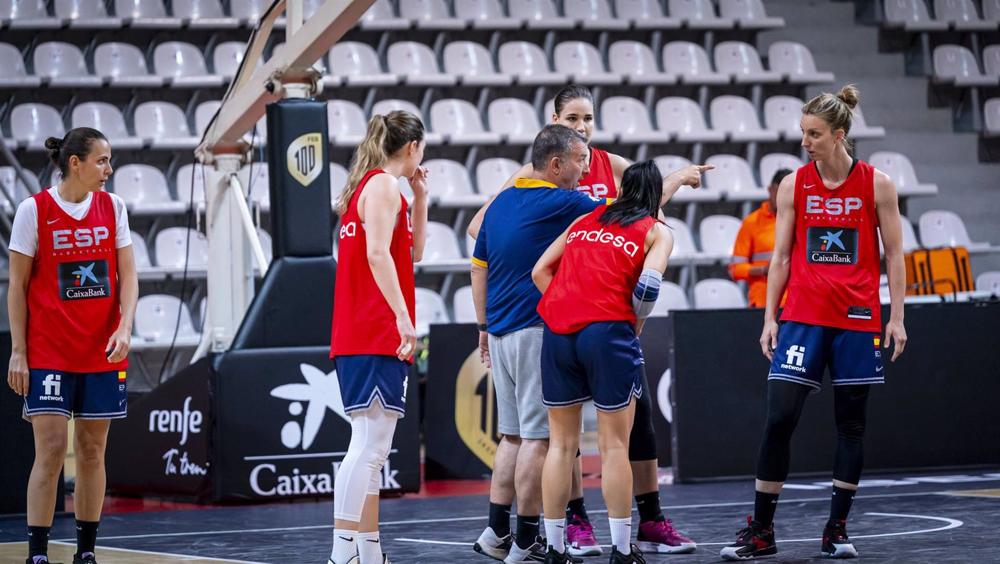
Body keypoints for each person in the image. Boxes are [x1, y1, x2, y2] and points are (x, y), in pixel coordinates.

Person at [470, 85, 703, 557]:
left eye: (588, 119)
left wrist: (491, 319)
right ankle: (583, 535)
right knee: (569, 441)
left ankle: (529, 536)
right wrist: (673, 181)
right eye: (573, 118)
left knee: (561, 436)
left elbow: (491, 248)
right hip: (578, 320)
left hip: (546, 323)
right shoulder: (547, 189)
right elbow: (640, 217)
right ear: (554, 123)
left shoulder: (604, 164)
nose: (583, 128)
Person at [720, 85, 907, 561]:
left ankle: (837, 529)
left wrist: (897, 317)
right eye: (803, 133)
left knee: (851, 426)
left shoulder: (877, 184)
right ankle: (761, 532)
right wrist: (769, 317)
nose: (805, 142)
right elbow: (780, 257)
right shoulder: (793, 184)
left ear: (839, 135)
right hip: (802, 318)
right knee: (779, 418)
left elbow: (895, 256)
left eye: (814, 134)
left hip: (858, 320)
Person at [472, 124, 609, 564]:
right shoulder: (563, 201)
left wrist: (483, 325)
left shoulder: (499, 205)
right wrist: (675, 181)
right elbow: (627, 212)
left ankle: (496, 532)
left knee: (511, 436)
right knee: (539, 440)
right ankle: (528, 538)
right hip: (534, 332)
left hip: (499, 331)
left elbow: (479, 267)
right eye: (580, 161)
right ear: (555, 164)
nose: (585, 170)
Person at [532, 160, 674, 564]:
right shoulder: (657, 231)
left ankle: (556, 548)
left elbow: (540, 270)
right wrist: (635, 325)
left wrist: (562, 306)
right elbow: (647, 287)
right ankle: (622, 549)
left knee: (561, 446)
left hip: (559, 333)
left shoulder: (584, 220)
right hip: (608, 332)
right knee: (614, 447)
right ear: (654, 196)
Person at [7, 128, 138, 564]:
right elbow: (17, 286)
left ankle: (86, 551)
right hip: (49, 351)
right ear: (75, 163)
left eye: (110, 160)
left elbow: (129, 277)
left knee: (92, 450)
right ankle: (37, 553)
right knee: (48, 453)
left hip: (102, 351)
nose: (109, 169)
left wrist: (125, 327)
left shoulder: (113, 206)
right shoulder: (34, 210)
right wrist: (19, 351)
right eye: (102, 160)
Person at [329, 111, 429, 564]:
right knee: (367, 447)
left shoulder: (374, 188)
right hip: (373, 329)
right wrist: (404, 319)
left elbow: (412, 254)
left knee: (374, 450)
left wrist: (422, 196)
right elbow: (376, 255)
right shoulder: (384, 186)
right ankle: (340, 554)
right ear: (412, 148)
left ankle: (369, 554)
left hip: (362, 330)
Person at [729, 169, 793, 308]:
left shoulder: (801, 221)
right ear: (770, 190)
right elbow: (735, 269)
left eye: (789, 193)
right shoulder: (751, 222)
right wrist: (763, 270)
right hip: (763, 304)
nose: (784, 197)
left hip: (795, 305)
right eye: (780, 191)